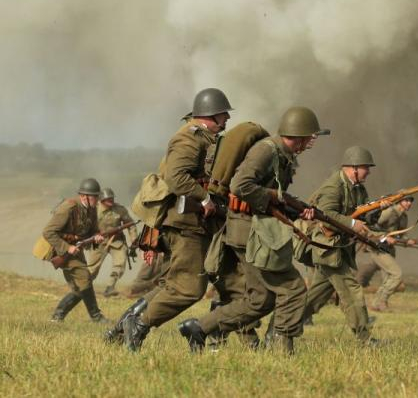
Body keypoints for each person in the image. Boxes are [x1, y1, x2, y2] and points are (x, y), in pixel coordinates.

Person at [176, 106, 325, 354]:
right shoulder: (266, 150)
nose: (311, 142)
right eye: (310, 137)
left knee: (260, 300)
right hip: (250, 233)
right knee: (293, 288)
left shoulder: (281, 153)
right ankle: (280, 349)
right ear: (298, 135)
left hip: (252, 231)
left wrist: (296, 209)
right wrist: (276, 198)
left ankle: (199, 328)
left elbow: (269, 196)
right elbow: (240, 185)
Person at [122, 88, 232, 351]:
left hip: (194, 224)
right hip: (186, 224)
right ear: (211, 115)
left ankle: (123, 326)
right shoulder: (189, 138)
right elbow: (177, 177)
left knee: (173, 284)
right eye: (223, 114)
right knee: (189, 288)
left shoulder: (204, 138)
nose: (227, 118)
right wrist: (204, 198)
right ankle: (138, 324)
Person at [298, 146, 390, 344]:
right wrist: (352, 223)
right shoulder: (333, 186)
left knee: (316, 298)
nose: (369, 172)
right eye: (366, 167)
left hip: (339, 249)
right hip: (328, 248)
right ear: (354, 168)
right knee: (352, 290)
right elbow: (325, 214)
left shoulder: (358, 188)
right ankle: (365, 338)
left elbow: (365, 216)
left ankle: (281, 327)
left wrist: (379, 209)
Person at [44, 178, 106, 322]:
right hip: (62, 251)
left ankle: (57, 316)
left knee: (79, 288)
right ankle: (96, 317)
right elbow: (48, 232)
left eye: (98, 196)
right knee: (85, 279)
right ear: (84, 196)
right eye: (95, 196)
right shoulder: (69, 207)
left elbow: (93, 230)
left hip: (77, 250)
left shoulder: (91, 209)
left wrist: (96, 236)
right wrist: (67, 247)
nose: (98, 200)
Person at [357, 196, 415, 311]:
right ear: (400, 201)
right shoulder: (388, 212)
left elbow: (401, 233)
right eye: (406, 200)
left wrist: (407, 240)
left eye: (411, 201)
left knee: (387, 278)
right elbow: (369, 225)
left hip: (389, 249)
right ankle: (378, 302)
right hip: (377, 247)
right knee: (396, 274)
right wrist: (384, 238)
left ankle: (380, 303)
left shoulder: (403, 216)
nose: (409, 203)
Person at [87, 188, 138, 297]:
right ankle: (83, 287)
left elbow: (130, 224)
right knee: (92, 268)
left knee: (120, 263)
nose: (111, 200)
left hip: (117, 241)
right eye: (107, 199)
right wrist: (93, 235)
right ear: (101, 199)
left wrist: (134, 240)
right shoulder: (93, 210)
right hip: (98, 242)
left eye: (112, 198)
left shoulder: (120, 210)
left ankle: (110, 288)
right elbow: (86, 226)